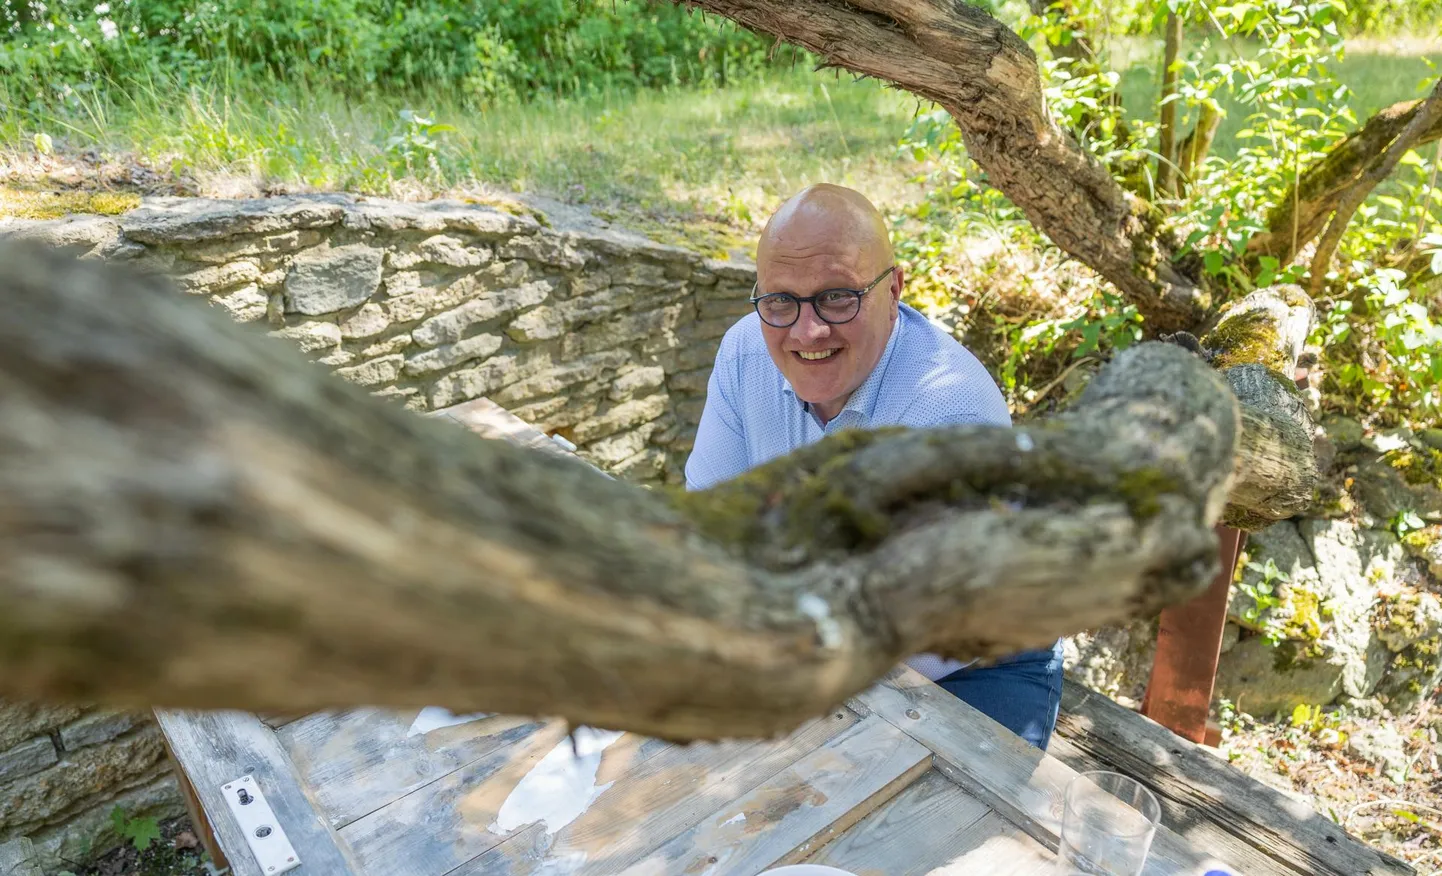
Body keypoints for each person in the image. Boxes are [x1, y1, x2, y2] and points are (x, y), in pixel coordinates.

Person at [683, 183, 1064, 750]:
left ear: (894, 290)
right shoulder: (745, 354)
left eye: (837, 297)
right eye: (781, 301)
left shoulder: (950, 413)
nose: (807, 331)